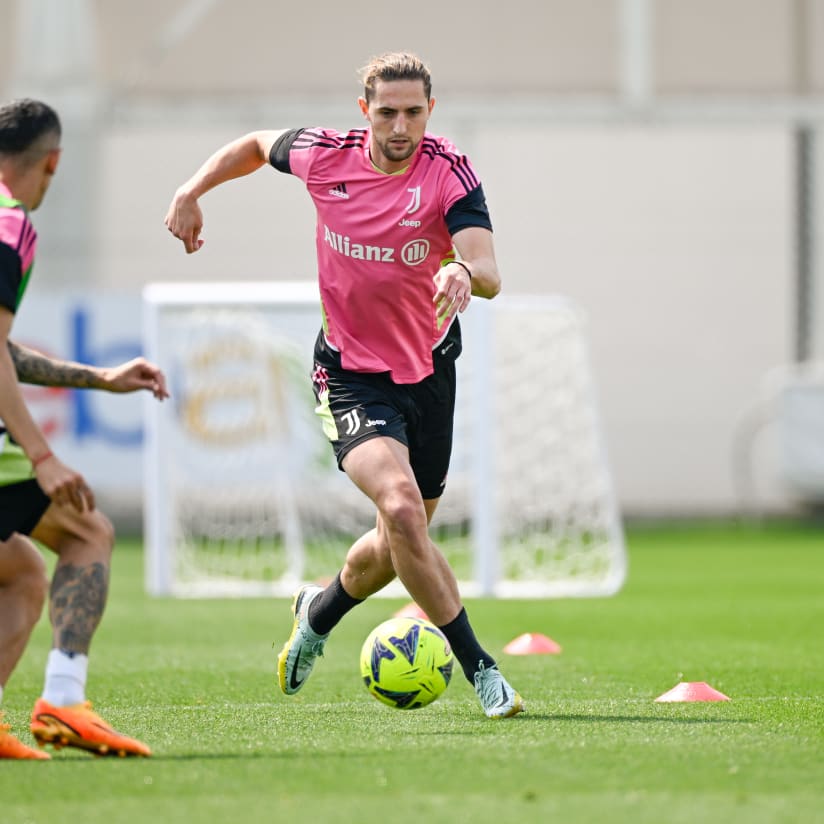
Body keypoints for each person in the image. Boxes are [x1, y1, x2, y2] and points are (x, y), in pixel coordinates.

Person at [165, 52, 524, 719]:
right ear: (364, 112)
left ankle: (319, 612)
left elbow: (488, 268)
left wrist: (463, 275)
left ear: (429, 112)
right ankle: (481, 670)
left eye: (413, 112)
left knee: (397, 544)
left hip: (429, 373)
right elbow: (251, 144)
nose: (400, 125)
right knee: (402, 508)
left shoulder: (448, 171)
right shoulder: (324, 156)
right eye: (386, 112)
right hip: (350, 376)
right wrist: (191, 192)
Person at [0, 98, 167, 759]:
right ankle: (64, 702)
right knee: (88, 529)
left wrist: (97, 379)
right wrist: (41, 455)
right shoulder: (11, 225)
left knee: (20, 574)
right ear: (53, 163)